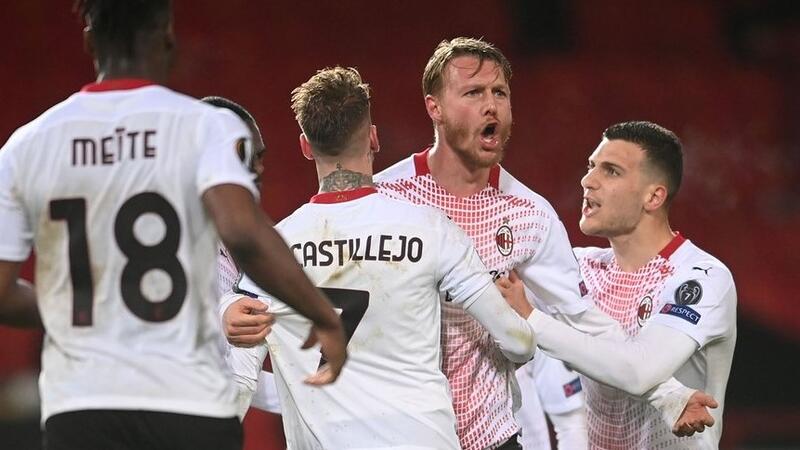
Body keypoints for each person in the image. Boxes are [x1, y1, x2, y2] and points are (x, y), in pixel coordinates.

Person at [223, 37, 716, 448]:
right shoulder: (386, 199)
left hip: (491, 437)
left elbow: (580, 318)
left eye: (500, 92)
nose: (491, 105)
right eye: (474, 92)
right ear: (434, 108)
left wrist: (667, 393)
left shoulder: (529, 214)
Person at [0, 2, 345, 449]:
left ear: (88, 40)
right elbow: (243, 232)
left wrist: (89, 306)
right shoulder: (205, 127)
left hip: (82, 402)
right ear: (167, 36)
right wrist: (322, 314)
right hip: (189, 401)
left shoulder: (27, 144)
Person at [220, 66, 537, 449]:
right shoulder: (432, 228)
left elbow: (240, 379)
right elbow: (518, 341)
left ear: (305, 146)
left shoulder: (271, 250)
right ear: (373, 138)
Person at [498, 121, 737, 448]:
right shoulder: (579, 267)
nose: (588, 181)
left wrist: (532, 320)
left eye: (611, 171)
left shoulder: (700, 278)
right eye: (591, 166)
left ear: (653, 196)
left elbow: (638, 370)